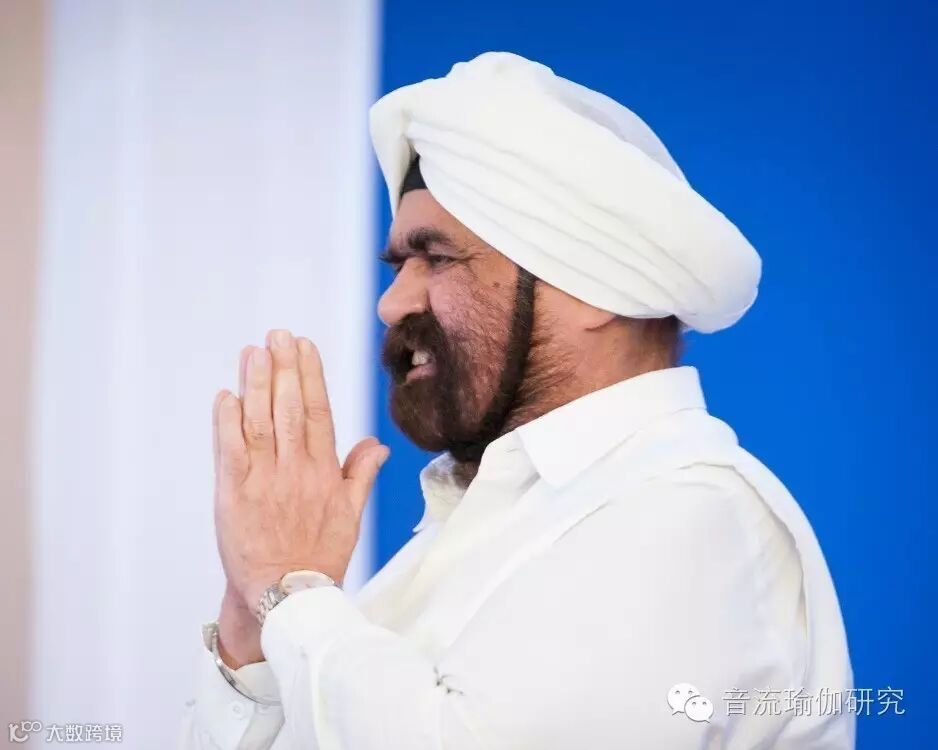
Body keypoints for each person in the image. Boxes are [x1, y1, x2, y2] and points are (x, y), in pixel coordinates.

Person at [180, 52, 854, 749]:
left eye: (437, 258)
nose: (392, 303)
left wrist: (290, 591)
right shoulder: (484, 525)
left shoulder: (691, 513)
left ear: (593, 284)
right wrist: (252, 630)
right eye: (399, 265)